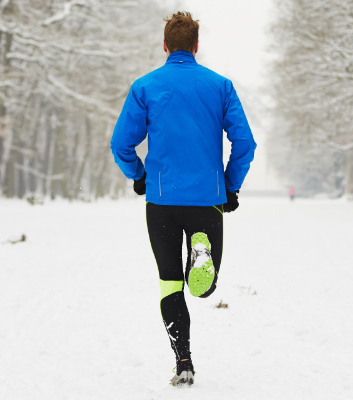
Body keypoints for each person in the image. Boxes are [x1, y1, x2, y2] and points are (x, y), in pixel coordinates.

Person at [109, 11, 256, 387]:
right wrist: (230, 185)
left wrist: (139, 176)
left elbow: (121, 143)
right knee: (203, 287)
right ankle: (202, 253)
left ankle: (184, 362)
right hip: (207, 199)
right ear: (195, 46)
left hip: (162, 201)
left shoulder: (146, 86)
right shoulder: (220, 86)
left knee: (169, 283)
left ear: (165, 45)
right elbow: (244, 142)